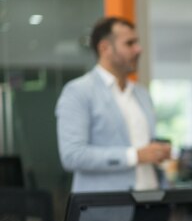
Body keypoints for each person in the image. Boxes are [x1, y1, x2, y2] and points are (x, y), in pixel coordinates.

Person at [56, 17, 171, 193]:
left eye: (137, 42)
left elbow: (142, 144)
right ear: (105, 48)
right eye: (130, 43)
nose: (138, 49)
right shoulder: (78, 92)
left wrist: (157, 152)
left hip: (153, 201)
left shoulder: (141, 94)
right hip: (106, 210)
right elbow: (73, 156)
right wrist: (135, 156)